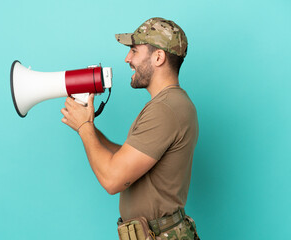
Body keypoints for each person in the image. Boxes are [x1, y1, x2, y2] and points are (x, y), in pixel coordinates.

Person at [61, 17, 200, 240]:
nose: (127, 59)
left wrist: (85, 128)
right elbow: (128, 158)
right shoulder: (172, 104)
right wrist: (86, 126)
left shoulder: (165, 110)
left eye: (134, 51)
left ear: (158, 57)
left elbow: (112, 179)